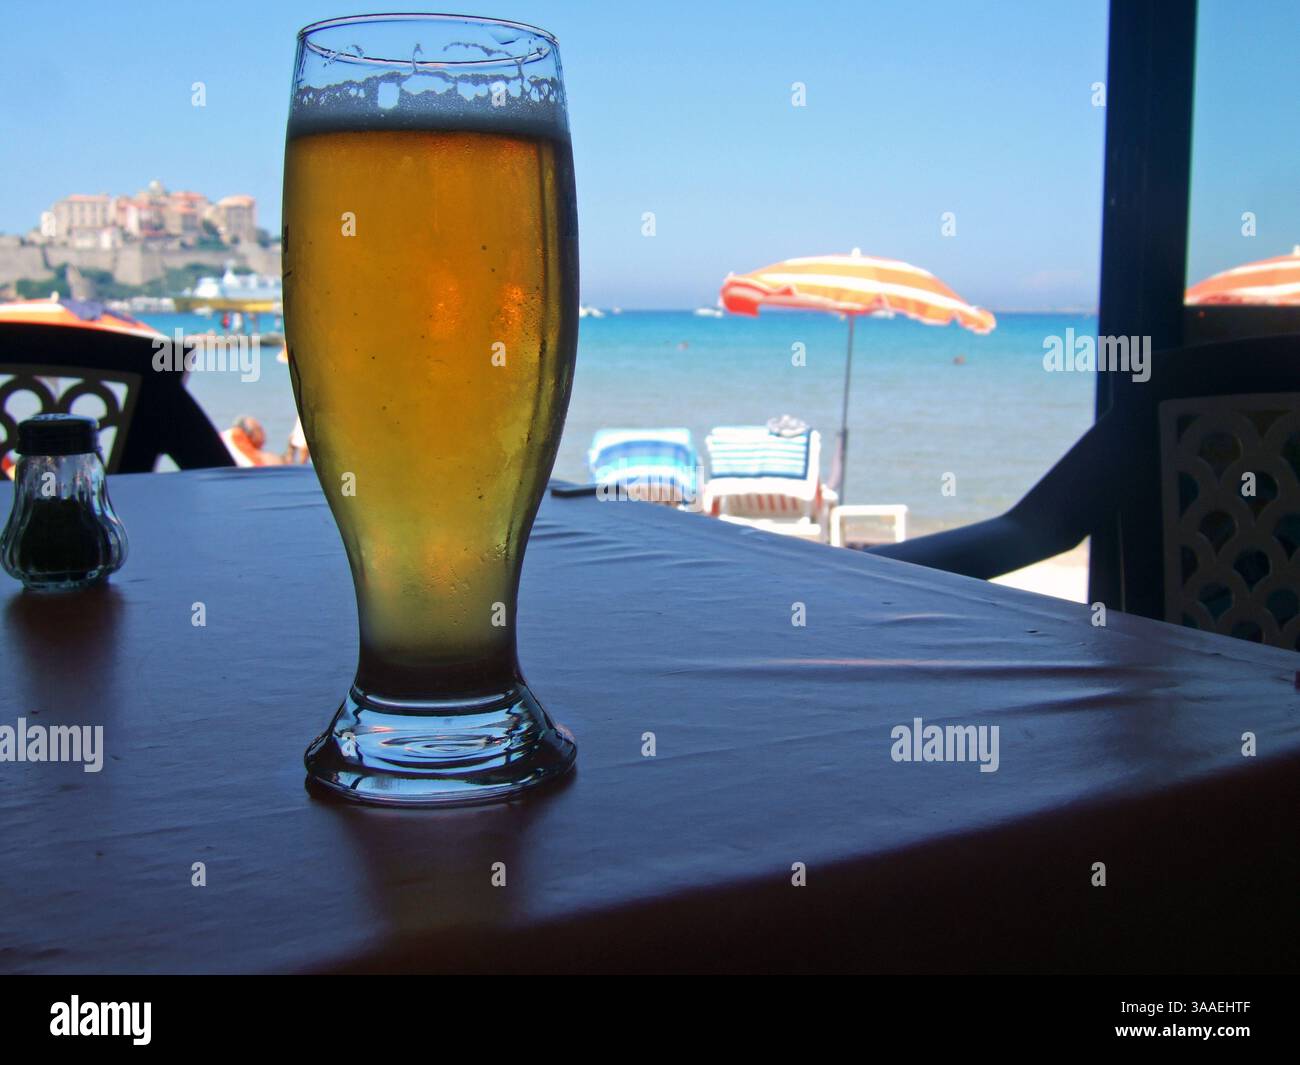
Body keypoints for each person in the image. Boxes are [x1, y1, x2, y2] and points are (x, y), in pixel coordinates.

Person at [220, 416, 285, 467]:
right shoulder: (234, 437)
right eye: (260, 429)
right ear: (252, 431)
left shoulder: (227, 437)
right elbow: (258, 467)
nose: (264, 434)